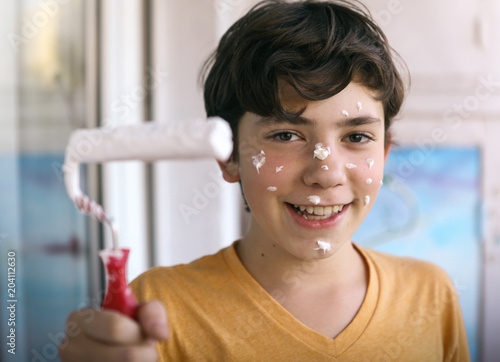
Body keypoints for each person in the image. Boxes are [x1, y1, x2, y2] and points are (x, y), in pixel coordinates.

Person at [59, 0, 471, 361]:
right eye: (286, 135)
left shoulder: (431, 295)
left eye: (357, 137)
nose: (325, 173)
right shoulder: (157, 309)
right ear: (230, 157)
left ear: (383, 153)